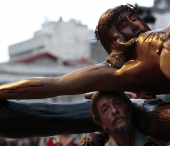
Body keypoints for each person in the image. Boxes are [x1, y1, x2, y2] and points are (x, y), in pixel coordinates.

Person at [0, 4, 169, 101]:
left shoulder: (155, 37)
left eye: (134, 18)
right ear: (113, 37)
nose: (134, 26)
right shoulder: (114, 71)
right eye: (123, 25)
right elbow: (54, 85)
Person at [84, 91, 169, 146]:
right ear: (101, 123)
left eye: (117, 103)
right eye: (105, 109)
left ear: (129, 107)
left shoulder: (159, 145)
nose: (114, 110)